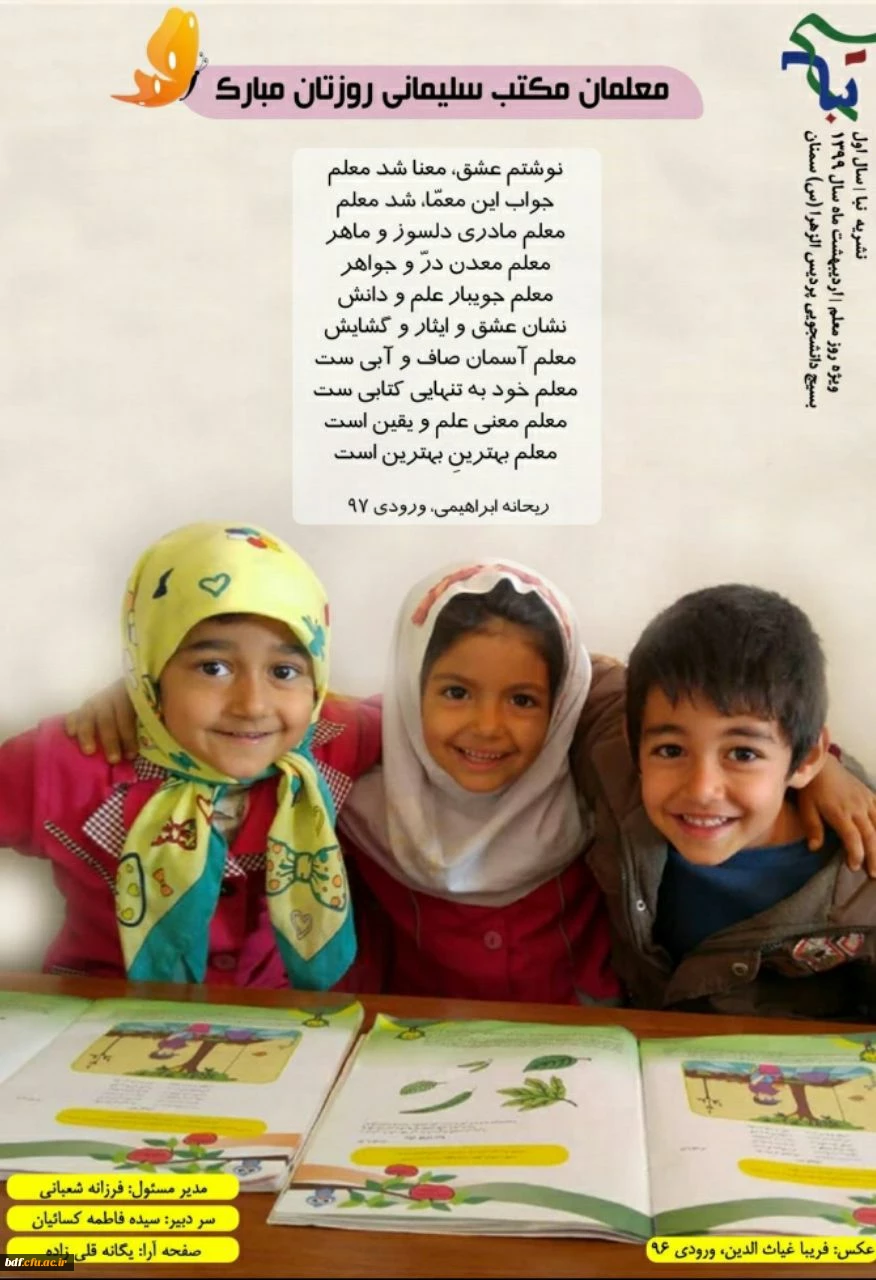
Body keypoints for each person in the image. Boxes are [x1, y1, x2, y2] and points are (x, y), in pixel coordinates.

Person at [65, 562, 876, 1005]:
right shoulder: (354, 763)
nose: (488, 727)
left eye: (524, 700)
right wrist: (148, 696)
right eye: (454, 691)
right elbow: (261, 717)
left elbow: (657, 698)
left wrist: (829, 769)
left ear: (559, 704)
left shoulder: (595, 755)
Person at [0, 521, 381, 989]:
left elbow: (436, 723)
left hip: (288, 1016)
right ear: (152, 668)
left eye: (284, 671)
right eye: (213, 668)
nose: (252, 705)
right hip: (98, 1012)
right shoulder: (71, 759)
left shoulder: (335, 739)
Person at [576, 583, 876, 1018]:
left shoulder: (860, 881)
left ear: (806, 758)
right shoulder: (614, 754)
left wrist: (828, 764)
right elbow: (572, 669)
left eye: (743, 754)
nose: (701, 789)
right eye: (671, 750)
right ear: (633, 741)